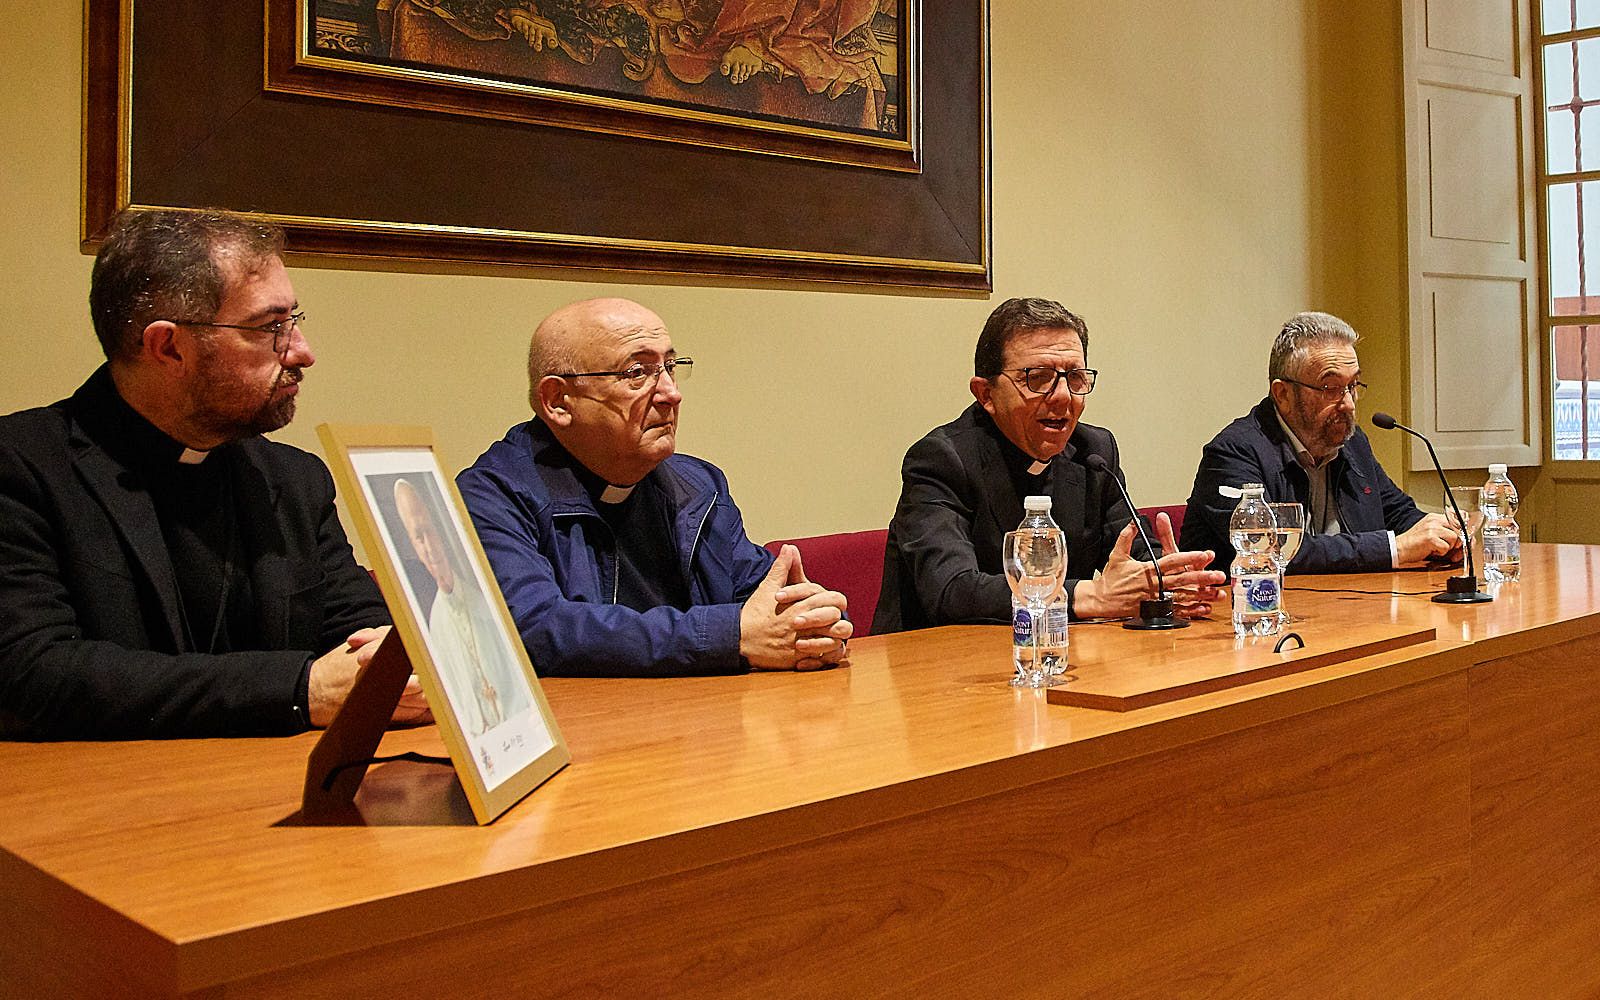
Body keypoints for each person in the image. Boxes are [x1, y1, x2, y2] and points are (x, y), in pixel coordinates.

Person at [0, 208, 427, 740]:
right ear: (168, 347)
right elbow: (31, 672)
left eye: (293, 320)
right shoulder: (21, 467)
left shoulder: (295, 479)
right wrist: (300, 689)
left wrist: (396, 660)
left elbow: (354, 622)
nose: (303, 352)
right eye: (270, 328)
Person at [458, 297, 851, 676]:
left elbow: (765, 602)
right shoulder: (491, 497)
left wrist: (817, 625)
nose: (671, 394)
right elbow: (536, 628)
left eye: (670, 366)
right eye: (637, 373)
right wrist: (729, 636)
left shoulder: (698, 486)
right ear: (558, 401)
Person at [875, 297, 1224, 633]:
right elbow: (952, 590)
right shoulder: (941, 460)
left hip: (1064, 660)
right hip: (941, 672)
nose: (1061, 396)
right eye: (1037, 377)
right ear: (986, 395)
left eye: (1075, 377)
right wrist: (1090, 596)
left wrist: (1164, 579)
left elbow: (1131, 556)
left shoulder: (1094, 452)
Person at [1180, 311, 1461, 572]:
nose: (1349, 404)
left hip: (1353, 610)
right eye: (1331, 389)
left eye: (1353, 386)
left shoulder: (1352, 443)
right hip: (1255, 615)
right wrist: (1394, 548)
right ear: (1283, 395)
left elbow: (1397, 513)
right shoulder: (1233, 454)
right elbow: (1269, 550)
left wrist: (1443, 537)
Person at [393, 478, 528, 735]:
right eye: (418, 537)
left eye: (429, 531)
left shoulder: (484, 598)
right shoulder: (436, 622)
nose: (429, 547)